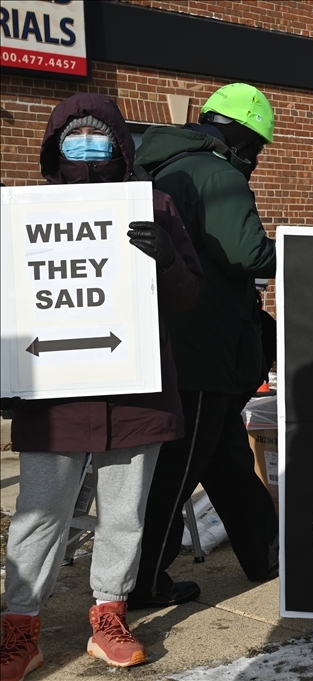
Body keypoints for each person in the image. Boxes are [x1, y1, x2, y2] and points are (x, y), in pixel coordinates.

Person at [1, 93, 203, 680]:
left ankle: (109, 615)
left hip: (135, 395)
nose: (87, 145)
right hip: (53, 394)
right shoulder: (26, 211)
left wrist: (166, 260)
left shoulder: (155, 205)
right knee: (39, 513)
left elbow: (190, 299)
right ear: (54, 144)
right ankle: (20, 626)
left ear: (120, 144)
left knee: (124, 515)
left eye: (99, 135)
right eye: (74, 134)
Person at [127, 83, 280, 610]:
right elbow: (249, 254)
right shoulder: (218, 174)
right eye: (256, 147)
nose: (256, 158)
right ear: (242, 136)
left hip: (169, 340)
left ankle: (266, 552)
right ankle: (143, 579)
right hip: (204, 349)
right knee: (179, 467)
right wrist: (299, 249)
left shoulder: (157, 166)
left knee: (224, 455)